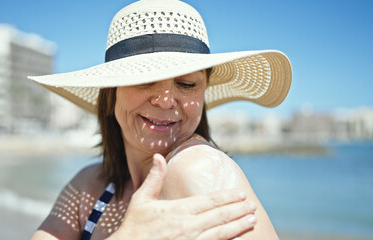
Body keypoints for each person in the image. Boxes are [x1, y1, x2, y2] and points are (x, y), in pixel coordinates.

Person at [29, 0, 292, 239]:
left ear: (203, 94)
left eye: (187, 84)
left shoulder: (198, 169)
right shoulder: (89, 185)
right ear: (111, 95)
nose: (166, 100)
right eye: (144, 80)